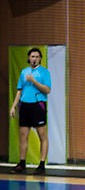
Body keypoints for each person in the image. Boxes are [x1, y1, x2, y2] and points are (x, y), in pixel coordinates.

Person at [9, 47, 52, 175]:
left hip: (38, 105)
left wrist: (34, 81)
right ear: (29, 58)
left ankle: (42, 164)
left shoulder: (45, 73)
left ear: (40, 59)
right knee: (23, 136)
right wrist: (13, 106)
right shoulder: (24, 72)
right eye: (32, 56)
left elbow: (47, 90)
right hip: (25, 106)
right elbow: (19, 90)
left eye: (37, 57)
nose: (34, 59)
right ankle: (22, 163)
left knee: (42, 136)